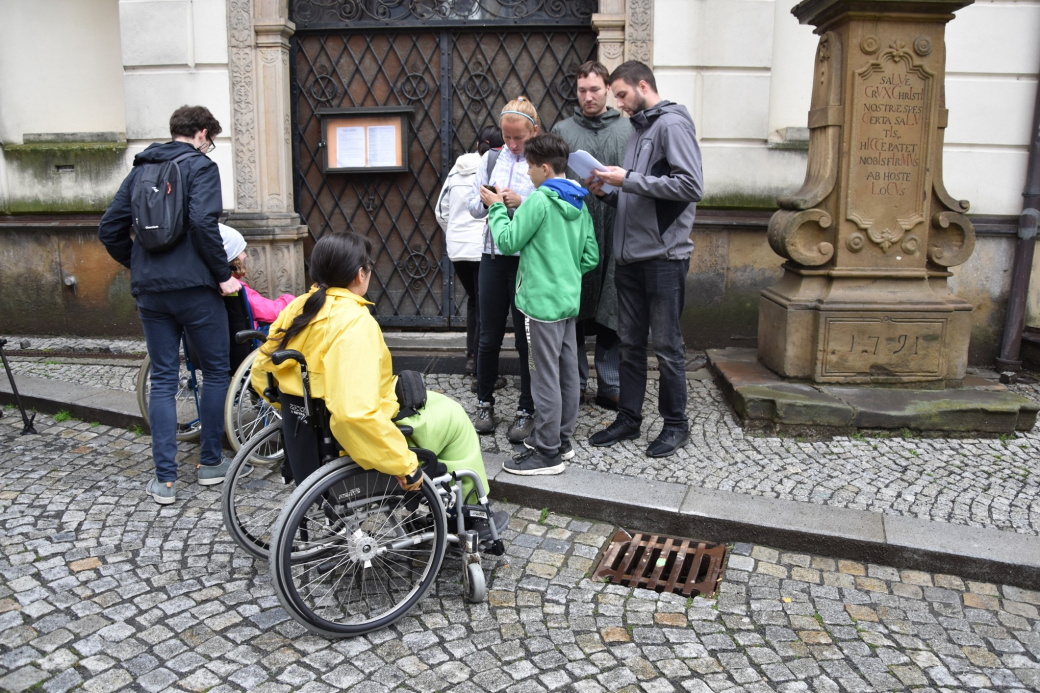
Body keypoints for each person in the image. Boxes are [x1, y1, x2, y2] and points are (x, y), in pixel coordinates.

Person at [250, 232, 506, 531]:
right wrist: (404, 464)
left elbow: (261, 373)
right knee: (455, 418)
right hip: (351, 438)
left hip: (309, 434)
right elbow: (354, 413)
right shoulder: (355, 323)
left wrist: (301, 409)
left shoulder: (299, 307)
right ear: (361, 274)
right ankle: (471, 514)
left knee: (432, 401)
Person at [99, 105, 240, 505]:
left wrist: (140, 264)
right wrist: (222, 274)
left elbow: (109, 228)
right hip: (195, 287)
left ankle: (164, 480)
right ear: (200, 133)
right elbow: (202, 224)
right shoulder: (200, 167)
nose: (208, 146)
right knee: (215, 371)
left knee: (162, 378)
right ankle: (211, 463)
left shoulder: (140, 169)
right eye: (210, 139)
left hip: (151, 290)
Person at [586, 61, 704, 459]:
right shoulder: (638, 130)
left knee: (668, 346)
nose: (617, 103)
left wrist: (627, 180)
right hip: (631, 258)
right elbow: (640, 196)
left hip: (664, 258)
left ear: (642, 85)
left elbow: (690, 185)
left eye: (620, 94)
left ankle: (676, 425)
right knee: (630, 345)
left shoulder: (671, 124)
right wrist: (607, 191)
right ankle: (629, 418)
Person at [484, 133, 598, 475]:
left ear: (545, 168)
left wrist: (496, 210)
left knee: (543, 376)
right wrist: (564, 269)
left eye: (531, 167)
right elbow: (590, 256)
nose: (528, 173)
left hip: (539, 306)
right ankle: (561, 441)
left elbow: (507, 242)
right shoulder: (579, 202)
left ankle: (547, 453)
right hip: (566, 303)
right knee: (567, 373)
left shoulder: (538, 201)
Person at [552, 60, 632, 411]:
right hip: (576, 231)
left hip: (617, 228)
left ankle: (610, 383)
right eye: (582, 90)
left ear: (607, 90)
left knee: (612, 309)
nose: (588, 96)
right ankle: (578, 382)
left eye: (595, 89)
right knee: (577, 309)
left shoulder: (628, 130)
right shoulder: (563, 131)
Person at [467, 97, 541, 442]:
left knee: (527, 341)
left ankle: (527, 410)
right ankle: (484, 404)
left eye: (518, 139)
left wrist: (520, 203)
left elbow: (551, 208)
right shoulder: (490, 159)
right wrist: (487, 202)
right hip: (492, 257)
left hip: (527, 259)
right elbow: (471, 207)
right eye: (507, 137)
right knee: (488, 336)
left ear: (534, 131)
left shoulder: (542, 162)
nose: (512, 145)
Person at [436, 126, 504, 376]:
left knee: (474, 301)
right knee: (485, 305)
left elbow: (440, 211)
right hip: (483, 248)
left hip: (458, 249)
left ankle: (472, 356)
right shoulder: (496, 168)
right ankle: (480, 366)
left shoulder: (455, 170)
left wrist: (454, 232)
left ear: (477, 143)